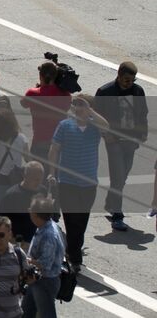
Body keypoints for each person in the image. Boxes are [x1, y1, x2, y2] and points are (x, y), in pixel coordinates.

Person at [47, 94, 108, 267]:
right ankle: (74, 257)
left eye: (82, 105)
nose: (78, 108)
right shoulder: (65, 126)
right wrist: (52, 172)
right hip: (67, 182)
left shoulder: (95, 126)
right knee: (71, 220)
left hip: (89, 184)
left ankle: (72, 250)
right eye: (76, 104)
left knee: (81, 221)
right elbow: (54, 150)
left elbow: (107, 126)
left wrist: (91, 112)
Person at [94, 61, 147, 232]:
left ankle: (111, 203)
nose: (129, 83)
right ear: (119, 75)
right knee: (117, 176)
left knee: (122, 176)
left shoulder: (138, 91)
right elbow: (95, 116)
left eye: (132, 80)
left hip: (130, 140)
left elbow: (142, 113)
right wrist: (105, 135)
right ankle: (117, 215)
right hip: (114, 141)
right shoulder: (105, 92)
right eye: (126, 80)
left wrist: (142, 133)